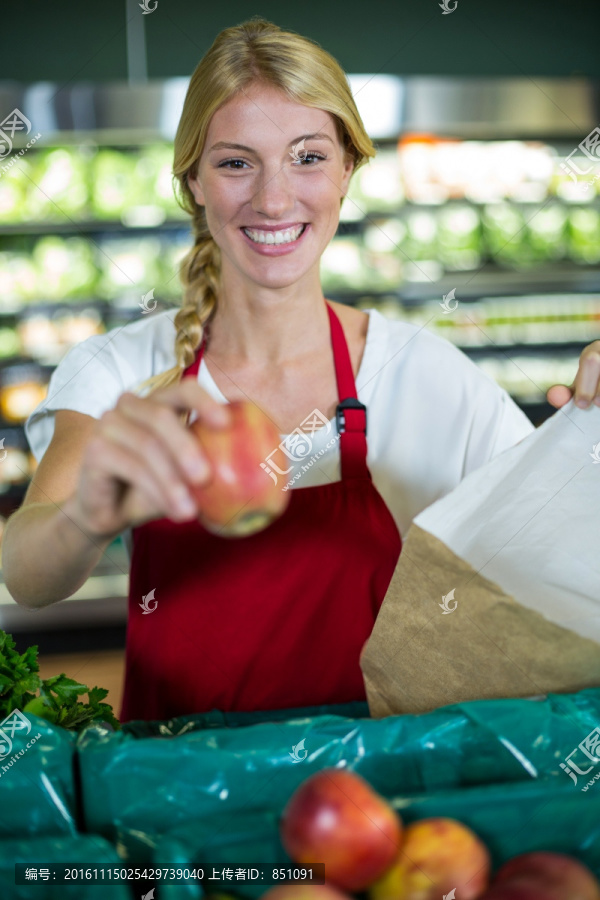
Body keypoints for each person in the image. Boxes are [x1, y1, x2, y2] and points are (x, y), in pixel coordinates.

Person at [4, 18, 599, 722]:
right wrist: (83, 518)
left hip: (383, 803)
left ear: (349, 167)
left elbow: (558, 548)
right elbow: (27, 575)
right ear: (192, 179)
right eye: (235, 163)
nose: (275, 199)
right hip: (179, 796)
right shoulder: (119, 369)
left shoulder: (430, 377)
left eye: (308, 157)